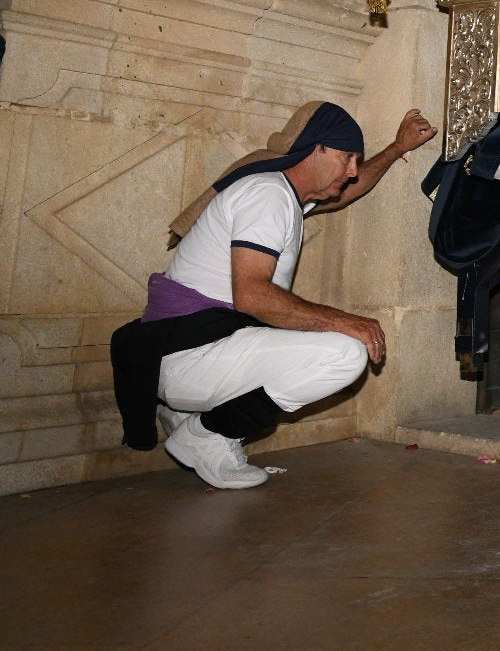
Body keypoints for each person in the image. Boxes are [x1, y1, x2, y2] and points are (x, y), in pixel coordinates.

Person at [110, 103, 438, 489]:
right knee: (346, 354)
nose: (352, 170)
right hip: (189, 356)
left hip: (185, 354)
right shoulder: (267, 195)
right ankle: (207, 435)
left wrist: (397, 148)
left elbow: (346, 191)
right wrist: (347, 322)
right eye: (347, 157)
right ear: (315, 149)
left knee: (326, 339)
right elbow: (252, 296)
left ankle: (187, 417)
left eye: (356, 160)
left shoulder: (281, 192)